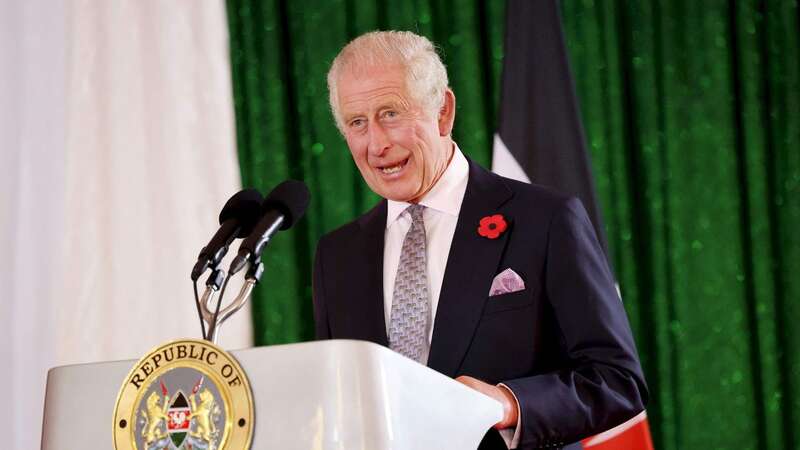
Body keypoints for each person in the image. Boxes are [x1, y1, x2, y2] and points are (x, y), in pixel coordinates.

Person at [312, 30, 647, 450]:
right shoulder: (338, 256)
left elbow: (617, 381)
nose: (376, 144)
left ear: (443, 112)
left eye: (391, 114)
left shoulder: (544, 220)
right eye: (357, 123)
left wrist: (508, 405)